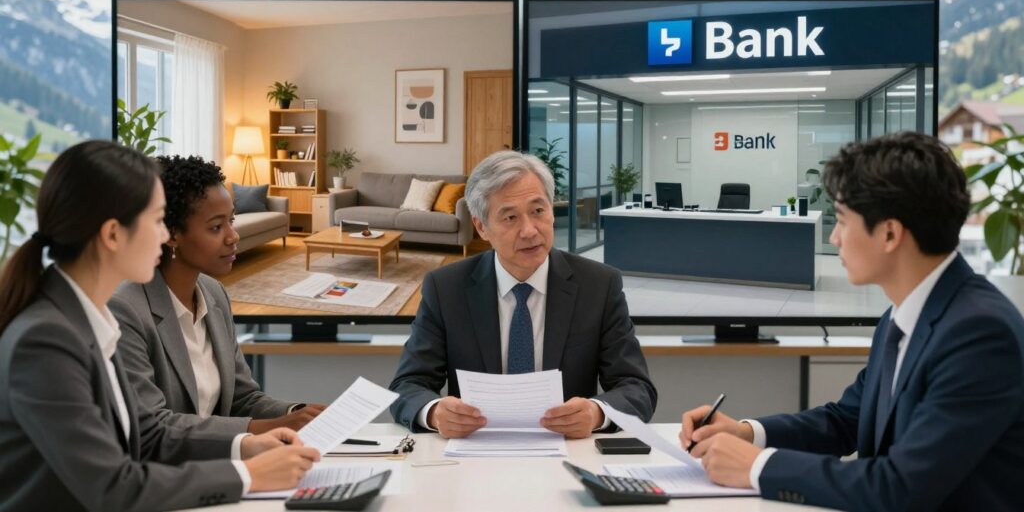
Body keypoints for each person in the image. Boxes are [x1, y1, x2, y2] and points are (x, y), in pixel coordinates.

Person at [679, 132, 1024, 511]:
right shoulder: (900, 316)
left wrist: (758, 466)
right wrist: (747, 433)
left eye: (842, 221)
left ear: (890, 233)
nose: (834, 237)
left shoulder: (979, 334)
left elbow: (901, 488)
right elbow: (846, 421)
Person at [0, 141, 320, 511]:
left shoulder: (88, 318)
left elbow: (148, 437)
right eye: (156, 221)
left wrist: (247, 445)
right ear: (113, 235)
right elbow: (112, 487)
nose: (165, 234)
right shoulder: (45, 340)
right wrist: (251, 475)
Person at [389, 150, 656, 439]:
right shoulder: (446, 288)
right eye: (510, 217)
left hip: (569, 453)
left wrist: (596, 413)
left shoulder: (599, 285)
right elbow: (408, 384)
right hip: (474, 456)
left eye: (538, 211)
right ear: (481, 227)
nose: (530, 231)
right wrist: (434, 412)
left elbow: (636, 387)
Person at [110, 155, 324, 434]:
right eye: (216, 227)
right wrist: (270, 427)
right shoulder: (126, 310)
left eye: (231, 221)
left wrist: (297, 413)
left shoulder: (214, 294)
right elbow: (153, 427)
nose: (233, 236)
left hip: (221, 467)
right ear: (172, 234)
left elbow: (242, 398)